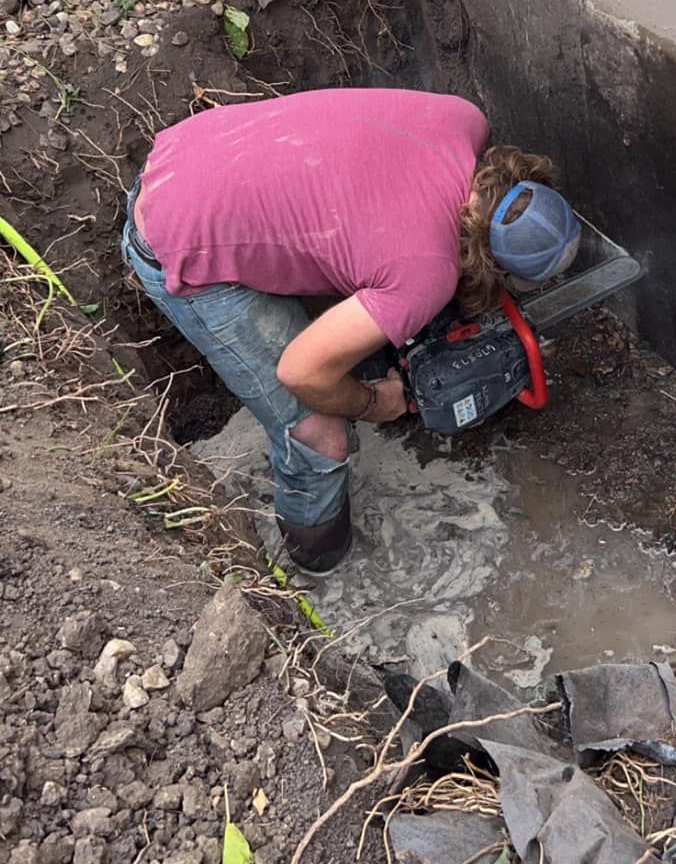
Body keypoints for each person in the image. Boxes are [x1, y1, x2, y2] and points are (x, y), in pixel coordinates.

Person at [121, 87, 580, 574]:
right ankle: (317, 562)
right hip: (172, 240)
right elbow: (301, 372)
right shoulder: (424, 273)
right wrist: (371, 403)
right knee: (323, 436)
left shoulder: (462, 119)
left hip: (198, 151)